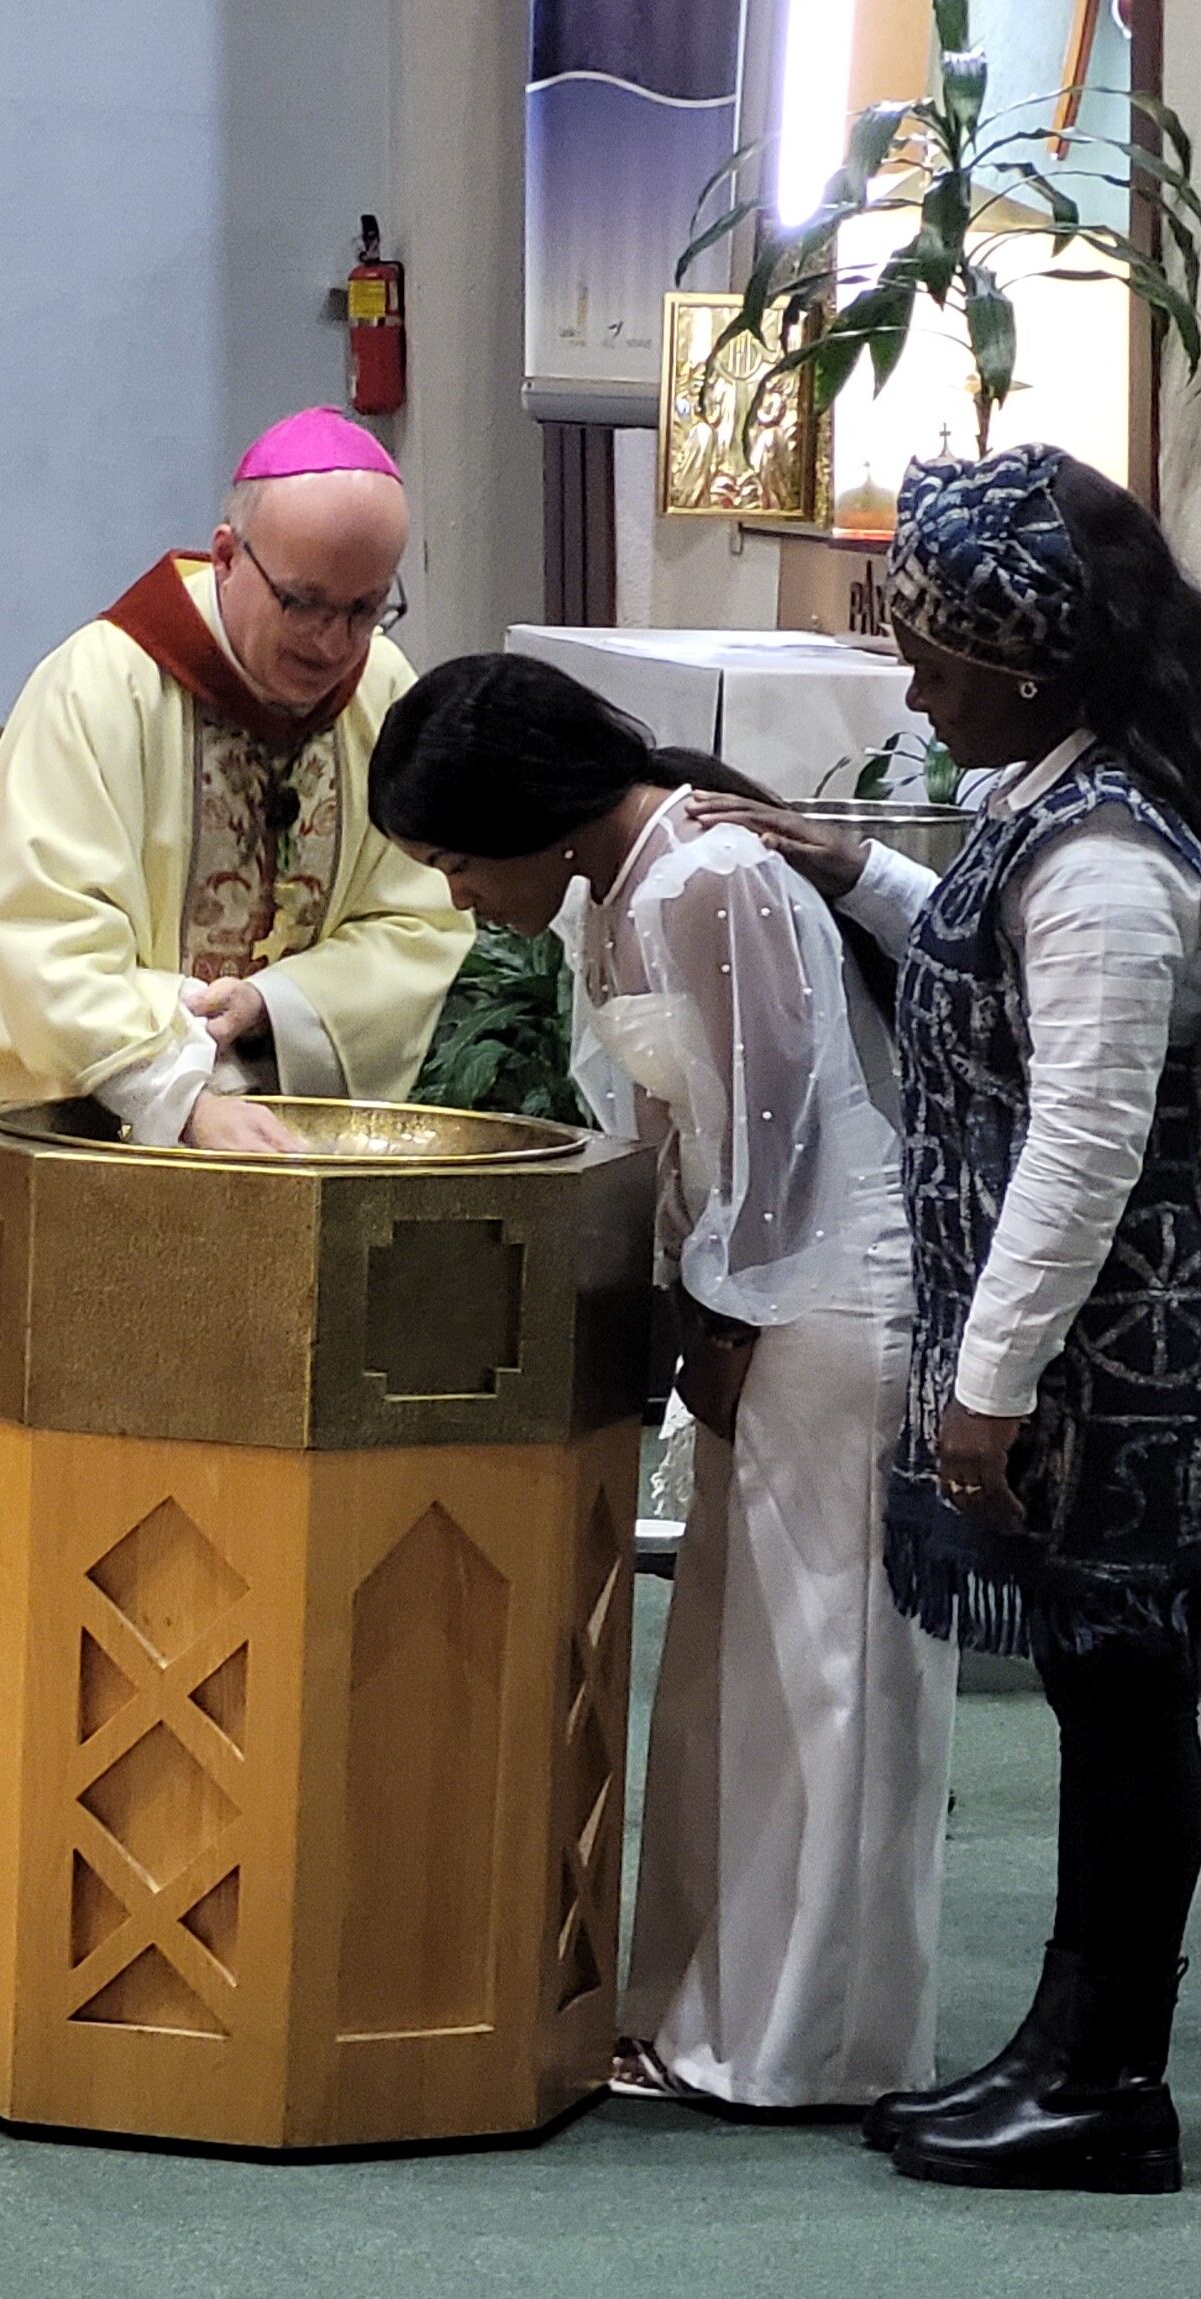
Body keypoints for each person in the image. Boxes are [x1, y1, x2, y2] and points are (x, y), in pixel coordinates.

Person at [694, 442, 1201, 2191]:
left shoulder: (1106, 856)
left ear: (1032, 669)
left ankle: (1110, 2083)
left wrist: (988, 1386)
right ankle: (1065, 2048)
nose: (914, 689)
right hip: (1125, 1344)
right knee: (1113, 1707)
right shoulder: (1075, 792)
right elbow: (995, 972)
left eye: (935, 660)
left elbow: (1083, 1144)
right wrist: (851, 871)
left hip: (1132, 1360)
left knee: (1124, 1710)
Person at [0, 407, 472, 1841]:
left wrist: (279, 1004)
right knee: (62, 1502)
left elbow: (422, 924)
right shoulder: (99, 689)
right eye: (307, 603)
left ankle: (226, 1830)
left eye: (369, 609)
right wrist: (183, 1090)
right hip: (84, 1170)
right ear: (229, 555)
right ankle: (7, 1829)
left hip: (284, 1165)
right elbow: (42, 937)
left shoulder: (381, 699)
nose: (336, 646)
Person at [368, 651, 957, 2113]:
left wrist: (722, 1324)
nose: (460, 897)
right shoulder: (625, 884)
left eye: (457, 860)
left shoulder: (708, 876)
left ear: (532, 812)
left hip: (827, 1299)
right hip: (756, 1292)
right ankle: (705, 2013)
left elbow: (783, 1127)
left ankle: (806, 2044)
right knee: (726, 1679)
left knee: (826, 1677)